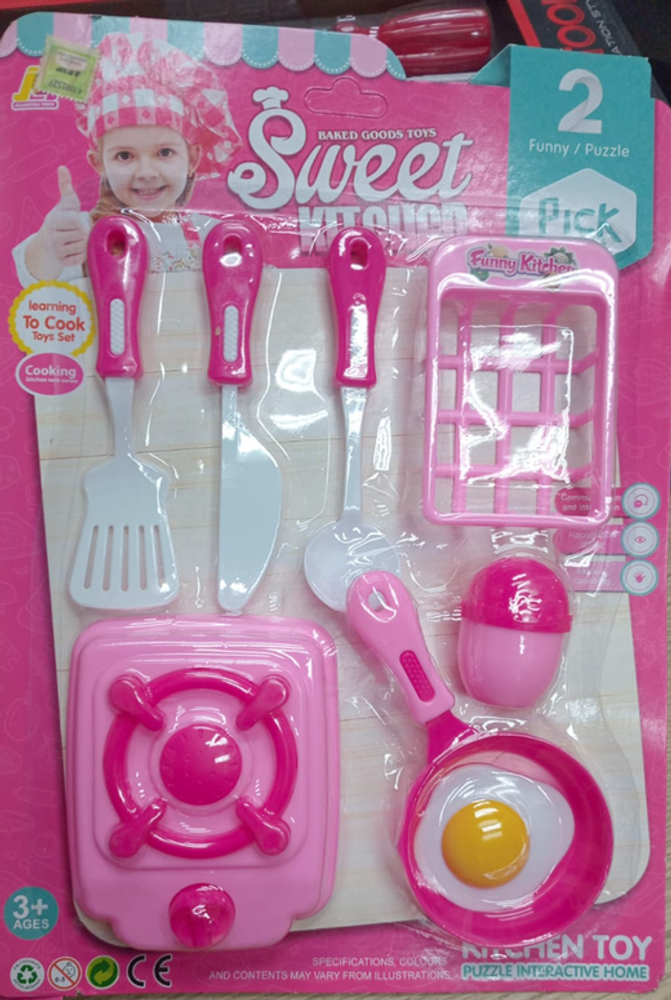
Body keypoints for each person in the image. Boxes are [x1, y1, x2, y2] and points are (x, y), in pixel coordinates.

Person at [13, 31, 240, 286]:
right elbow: (35, 273)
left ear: (193, 159)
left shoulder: (211, 234)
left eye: (165, 152)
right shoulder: (84, 231)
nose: (146, 172)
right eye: (124, 156)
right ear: (99, 164)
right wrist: (50, 241)